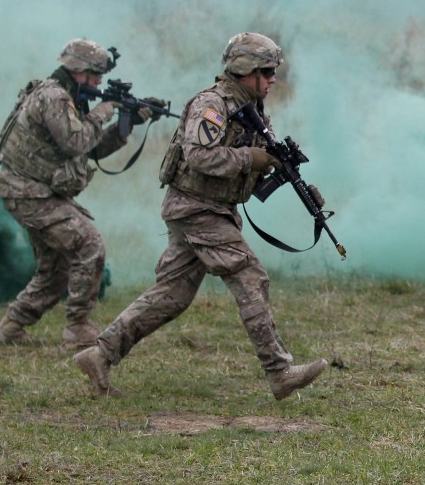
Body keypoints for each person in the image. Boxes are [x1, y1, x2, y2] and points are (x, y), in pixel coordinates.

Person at [74, 32, 328, 400]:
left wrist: (285, 175)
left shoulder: (253, 110)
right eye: (268, 71)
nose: (274, 79)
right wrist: (249, 159)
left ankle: (99, 355)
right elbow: (199, 157)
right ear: (245, 70)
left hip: (211, 209)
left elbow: (246, 171)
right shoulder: (212, 105)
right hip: (196, 208)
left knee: (172, 295)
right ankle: (279, 371)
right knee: (249, 275)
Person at [0, 38, 149, 348]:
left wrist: (125, 126)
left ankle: (9, 328)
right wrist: (104, 112)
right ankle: (77, 327)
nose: (100, 82)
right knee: (89, 245)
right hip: (30, 194)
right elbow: (75, 143)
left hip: (35, 193)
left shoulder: (69, 98)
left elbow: (90, 148)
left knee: (57, 267)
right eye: (96, 75)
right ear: (80, 70)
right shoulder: (54, 97)